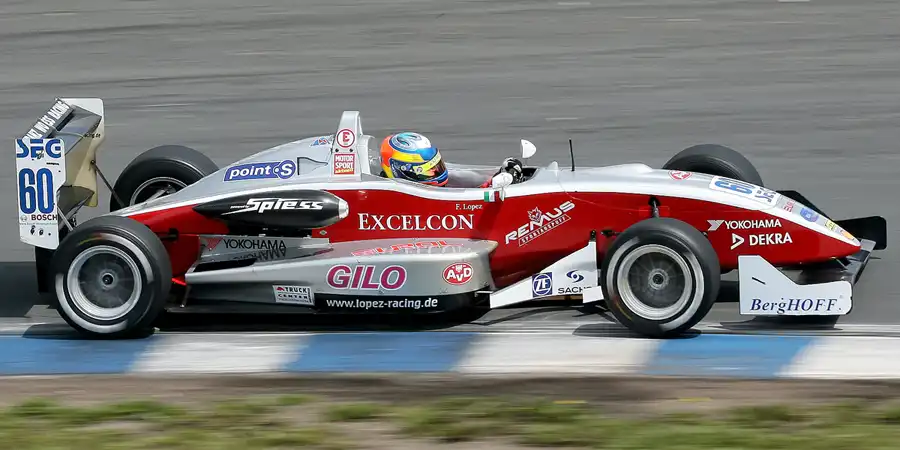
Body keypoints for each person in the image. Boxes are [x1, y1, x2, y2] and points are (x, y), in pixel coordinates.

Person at [379, 132, 524, 188]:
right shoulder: (400, 196)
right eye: (428, 170)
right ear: (401, 169)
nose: (436, 172)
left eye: (436, 165)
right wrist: (490, 186)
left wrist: (496, 176)